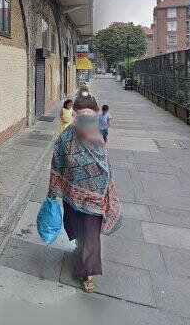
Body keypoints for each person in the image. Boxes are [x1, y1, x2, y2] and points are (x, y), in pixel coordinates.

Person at [47, 94, 121, 293]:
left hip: (91, 199)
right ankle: (82, 255)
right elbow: (58, 163)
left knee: (89, 234)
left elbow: (104, 167)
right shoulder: (69, 137)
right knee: (78, 228)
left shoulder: (92, 136)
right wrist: (53, 191)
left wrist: (53, 191)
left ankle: (87, 272)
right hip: (75, 196)